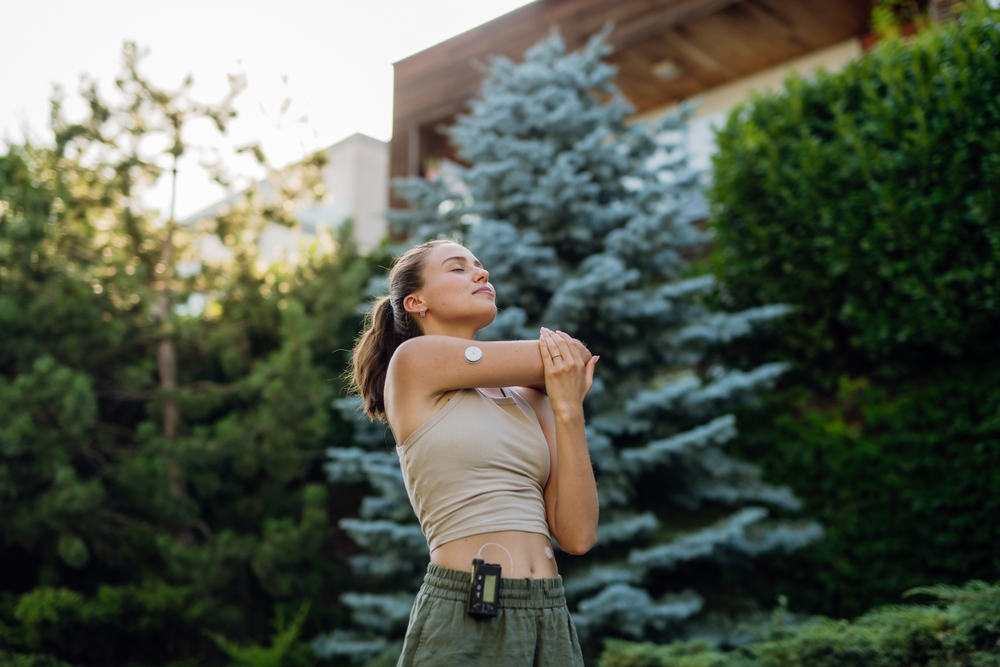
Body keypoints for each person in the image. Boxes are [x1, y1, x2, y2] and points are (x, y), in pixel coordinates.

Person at [350, 239, 599, 666]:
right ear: (416, 302)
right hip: (470, 604)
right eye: (458, 268)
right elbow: (565, 357)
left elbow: (577, 536)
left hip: (550, 613)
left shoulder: (531, 398)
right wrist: (564, 374)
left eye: (480, 266)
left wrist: (568, 410)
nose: (481, 275)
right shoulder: (414, 361)